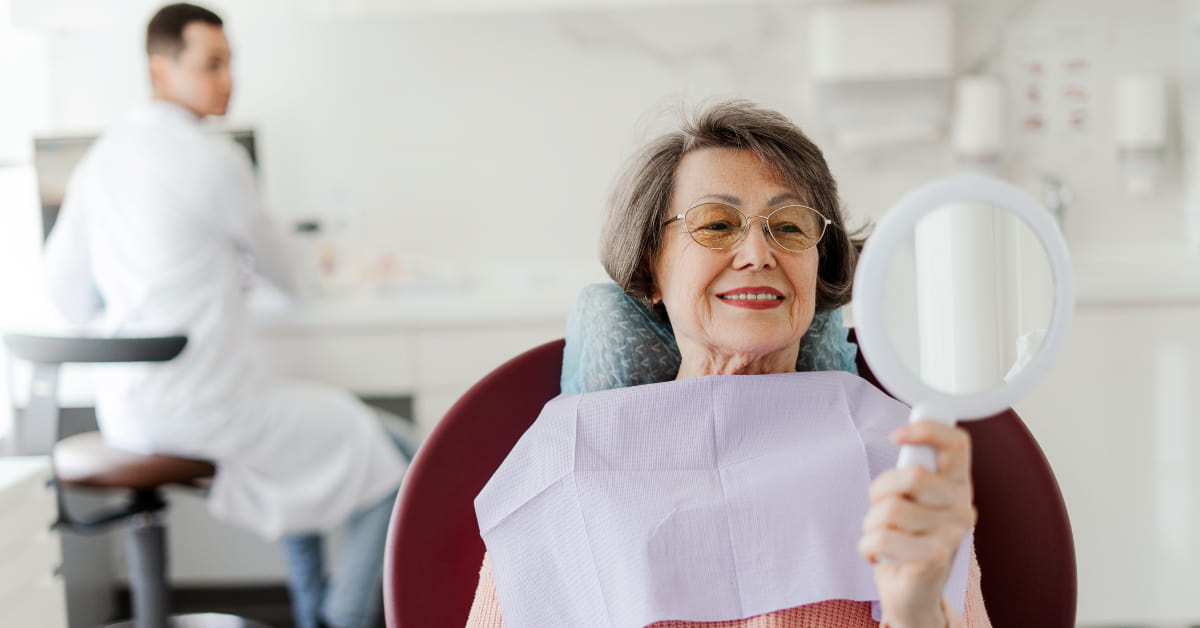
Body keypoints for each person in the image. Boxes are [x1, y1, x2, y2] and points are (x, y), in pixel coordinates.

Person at [466, 102, 989, 627]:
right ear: (651, 267)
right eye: (717, 225)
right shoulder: (567, 460)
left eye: (789, 228)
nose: (758, 253)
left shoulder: (901, 454)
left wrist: (919, 611)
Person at [42, 4, 414, 627]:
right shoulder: (212, 160)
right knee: (398, 459)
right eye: (211, 65)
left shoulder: (100, 160)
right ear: (161, 70)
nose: (228, 80)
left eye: (229, 63)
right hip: (204, 410)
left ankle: (310, 608)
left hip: (130, 412)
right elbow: (290, 279)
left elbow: (65, 298)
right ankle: (341, 618)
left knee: (323, 449)